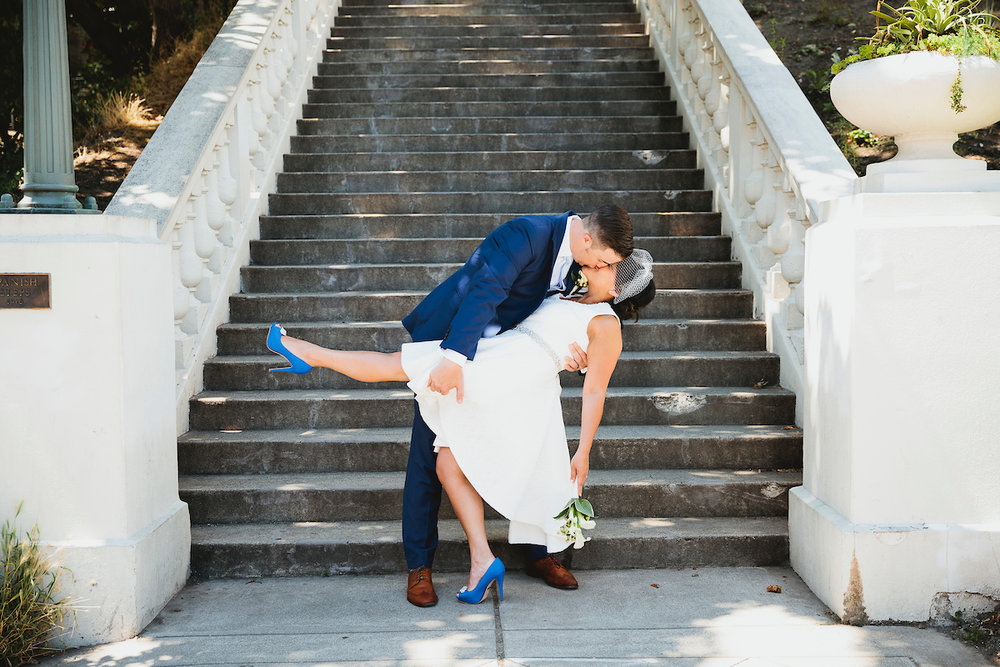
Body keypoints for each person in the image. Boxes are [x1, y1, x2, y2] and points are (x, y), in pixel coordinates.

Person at [265, 250, 656, 604]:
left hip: (511, 376)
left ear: (620, 289)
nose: (600, 263)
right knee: (447, 464)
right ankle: (483, 561)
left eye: (611, 267)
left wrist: (583, 450)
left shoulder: (608, 327)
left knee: (400, 365)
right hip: (497, 355)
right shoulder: (568, 292)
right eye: (606, 259)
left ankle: (304, 352)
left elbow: (594, 393)